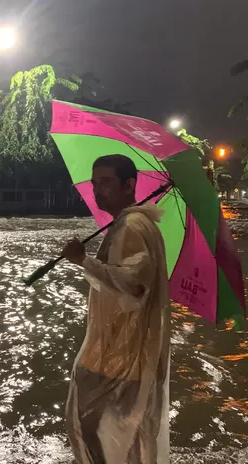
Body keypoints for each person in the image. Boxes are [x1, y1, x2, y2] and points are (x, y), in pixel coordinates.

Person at [60, 154, 171, 464]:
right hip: (122, 347)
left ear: (129, 184)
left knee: (85, 419)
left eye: (106, 183)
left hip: (122, 351)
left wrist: (83, 260)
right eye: (95, 184)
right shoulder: (130, 223)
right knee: (127, 431)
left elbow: (133, 285)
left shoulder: (132, 226)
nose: (98, 191)